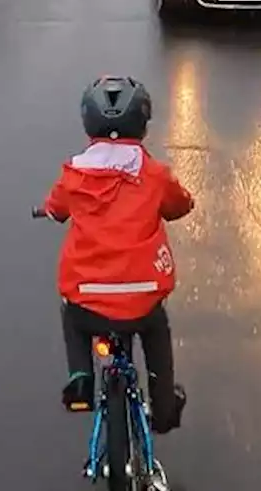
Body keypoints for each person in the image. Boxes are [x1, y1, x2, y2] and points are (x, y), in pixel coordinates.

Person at [40, 75, 194, 434]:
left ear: (88, 121)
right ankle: (164, 408)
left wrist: (50, 209)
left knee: (71, 315)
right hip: (142, 298)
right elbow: (179, 204)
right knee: (157, 329)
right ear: (142, 122)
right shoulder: (155, 176)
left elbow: (56, 208)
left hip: (89, 297)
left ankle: (80, 378)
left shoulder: (74, 174)